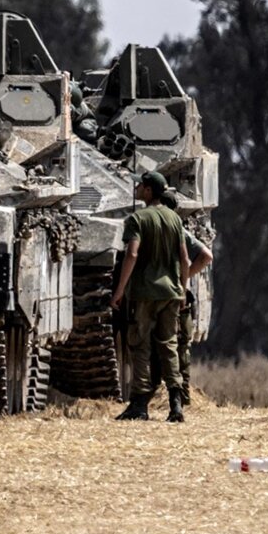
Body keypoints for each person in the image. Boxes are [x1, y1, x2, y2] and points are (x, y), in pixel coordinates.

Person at [111, 170, 190, 423]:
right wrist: (183, 288)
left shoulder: (137, 219)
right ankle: (176, 403)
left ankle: (139, 404)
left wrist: (120, 291)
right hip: (171, 292)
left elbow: (132, 255)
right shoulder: (174, 219)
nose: (137, 190)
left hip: (145, 292)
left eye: (140, 187)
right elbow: (185, 259)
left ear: (147, 190)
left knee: (140, 345)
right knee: (168, 345)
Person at [148, 189, 214, 405]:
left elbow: (203, 257)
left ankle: (160, 393)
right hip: (179, 294)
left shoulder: (165, 229)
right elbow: (205, 256)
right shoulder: (179, 231)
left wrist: (180, 280)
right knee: (178, 346)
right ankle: (181, 395)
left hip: (161, 293)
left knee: (162, 344)